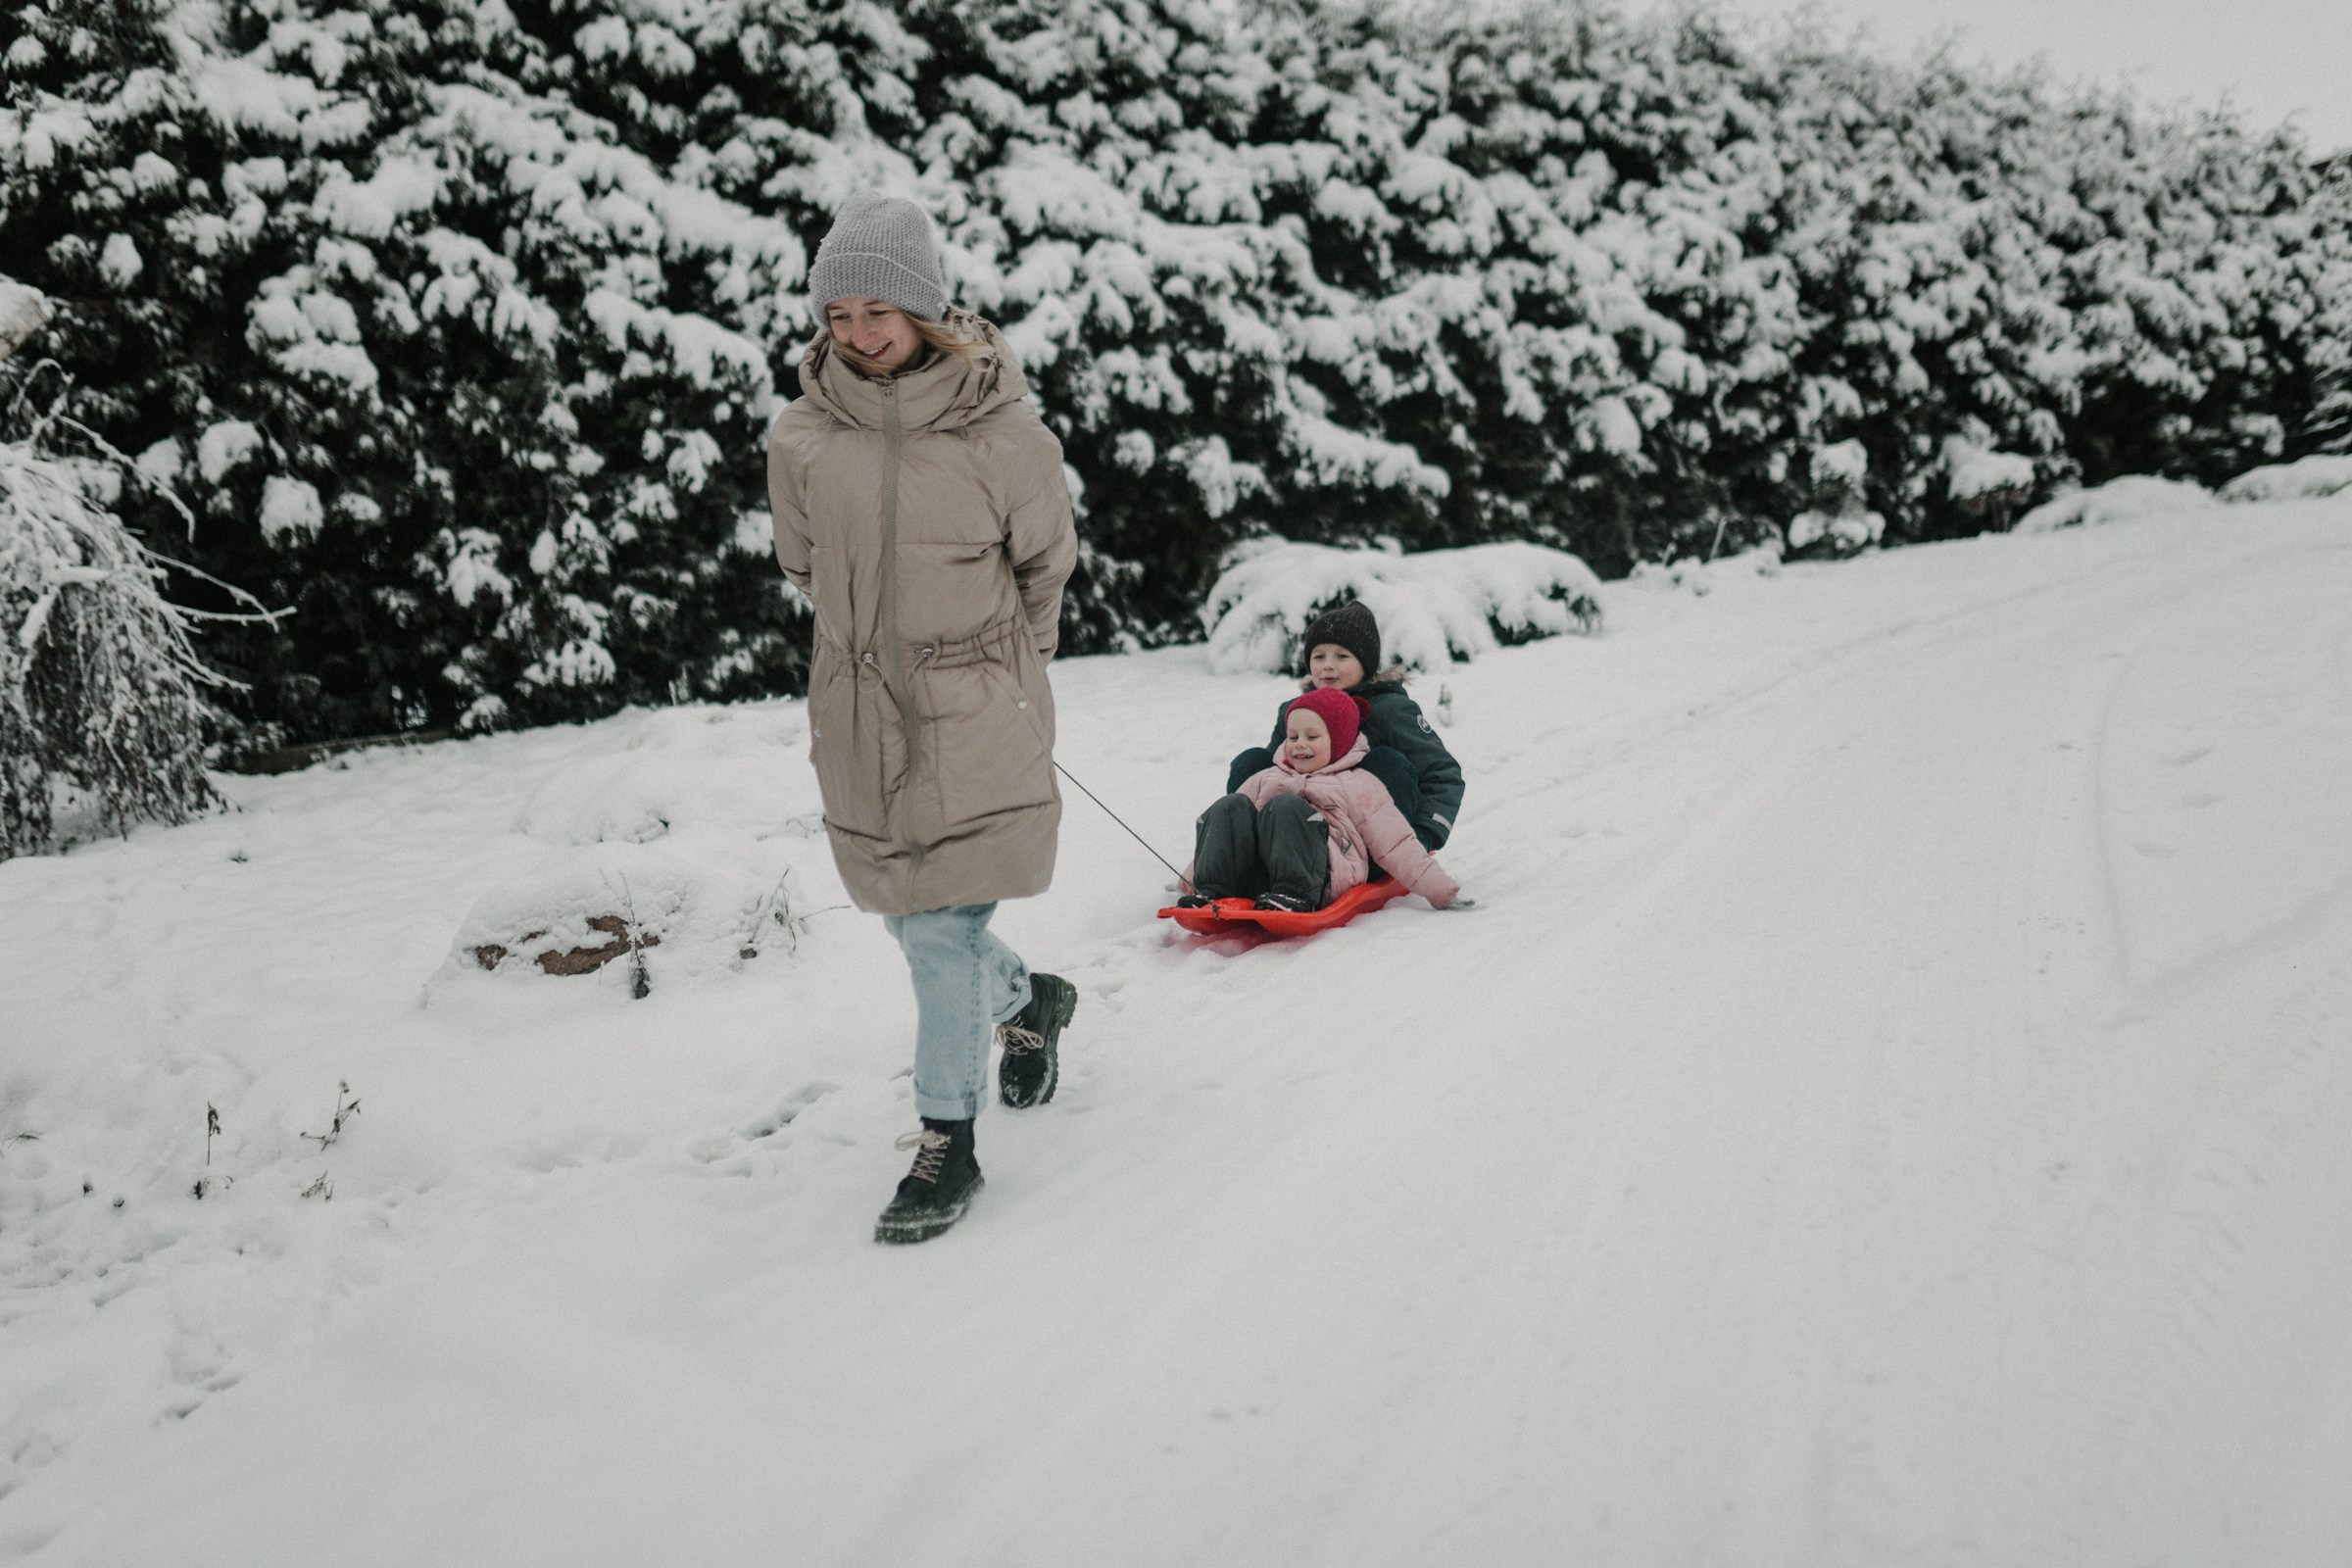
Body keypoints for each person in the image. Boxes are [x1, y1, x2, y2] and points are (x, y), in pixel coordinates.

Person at [767, 193, 1080, 1245]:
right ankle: (1028, 1003)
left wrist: (1001, 673)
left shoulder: (1005, 435)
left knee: (941, 931)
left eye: (878, 312)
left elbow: (1045, 569)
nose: (858, 334)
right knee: (912, 917)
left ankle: (949, 1141)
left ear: (927, 310)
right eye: (839, 314)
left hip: (976, 702)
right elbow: (804, 564)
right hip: (860, 707)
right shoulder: (805, 436)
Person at [1184, 687, 1460, 913]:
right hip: (1263, 874)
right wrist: (1189, 878)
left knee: (1285, 807)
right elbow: (1225, 831)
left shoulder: (1357, 783)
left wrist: (1441, 891)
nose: (1300, 744)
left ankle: (1293, 893)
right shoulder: (1266, 777)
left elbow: (1395, 842)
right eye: (1293, 737)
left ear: (1338, 741)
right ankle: (1212, 892)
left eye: (1312, 736)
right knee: (1231, 806)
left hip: (1322, 876)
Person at [1225, 601, 1465, 856]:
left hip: (1367, 841)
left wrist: (1425, 832)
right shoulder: (1295, 712)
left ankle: (1384, 854)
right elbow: (1275, 772)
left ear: (1365, 664)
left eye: (1341, 656)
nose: (1328, 665)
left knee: (1387, 761)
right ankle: (1246, 851)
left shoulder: (1390, 710)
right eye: (1319, 656)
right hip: (1301, 830)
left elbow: (1441, 773)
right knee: (1252, 762)